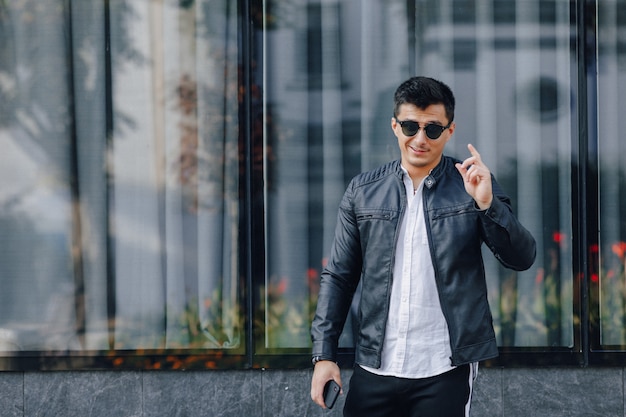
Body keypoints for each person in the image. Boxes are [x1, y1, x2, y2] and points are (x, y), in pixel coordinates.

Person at [310, 76, 536, 417]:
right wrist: (324, 355)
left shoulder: (472, 186)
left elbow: (522, 257)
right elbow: (339, 276)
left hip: (443, 367)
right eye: (410, 126)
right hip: (374, 367)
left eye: (432, 129)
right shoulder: (363, 191)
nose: (420, 138)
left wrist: (488, 206)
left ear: (449, 131)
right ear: (395, 126)